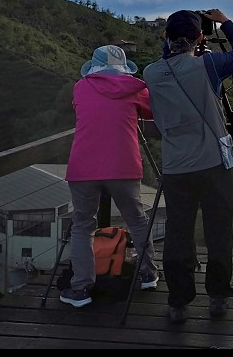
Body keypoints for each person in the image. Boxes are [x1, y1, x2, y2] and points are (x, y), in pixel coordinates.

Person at [142, 9, 233, 324]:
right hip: (214, 164)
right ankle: (217, 297)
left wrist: (180, 43)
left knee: (178, 233)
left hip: (176, 168)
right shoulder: (207, 65)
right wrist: (226, 22)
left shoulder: (150, 73)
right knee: (219, 230)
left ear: (166, 39)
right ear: (200, 38)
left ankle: (178, 302)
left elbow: (170, 59)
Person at [60, 44, 158, 308]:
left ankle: (80, 289)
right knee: (137, 220)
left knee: (82, 226)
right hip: (123, 165)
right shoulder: (136, 89)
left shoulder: (81, 87)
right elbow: (151, 113)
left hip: (83, 166)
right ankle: (148, 274)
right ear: (123, 66)